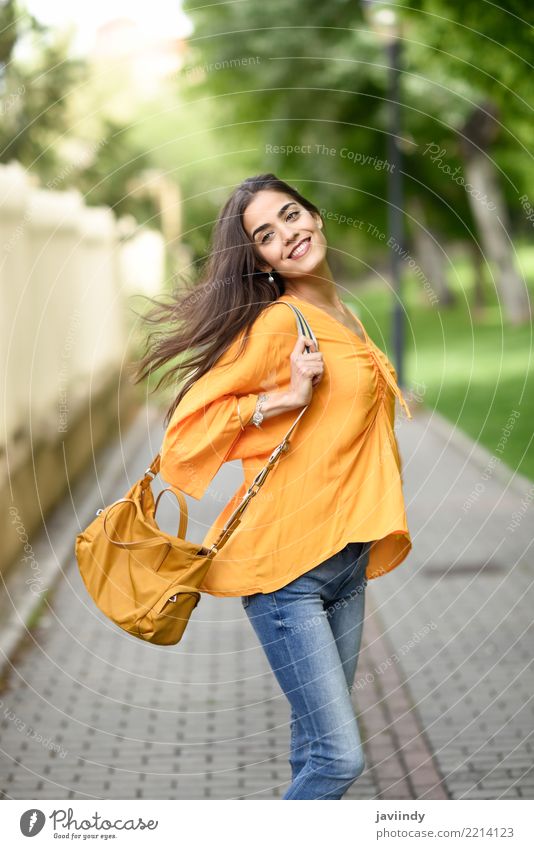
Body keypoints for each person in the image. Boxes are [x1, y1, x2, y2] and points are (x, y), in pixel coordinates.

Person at [132, 173, 412, 800]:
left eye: (290, 215)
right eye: (265, 234)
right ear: (259, 260)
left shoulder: (343, 313)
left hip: (345, 561)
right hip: (289, 578)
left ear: (317, 216)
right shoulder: (279, 325)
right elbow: (183, 433)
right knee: (338, 761)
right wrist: (281, 398)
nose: (287, 234)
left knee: (312, 752)